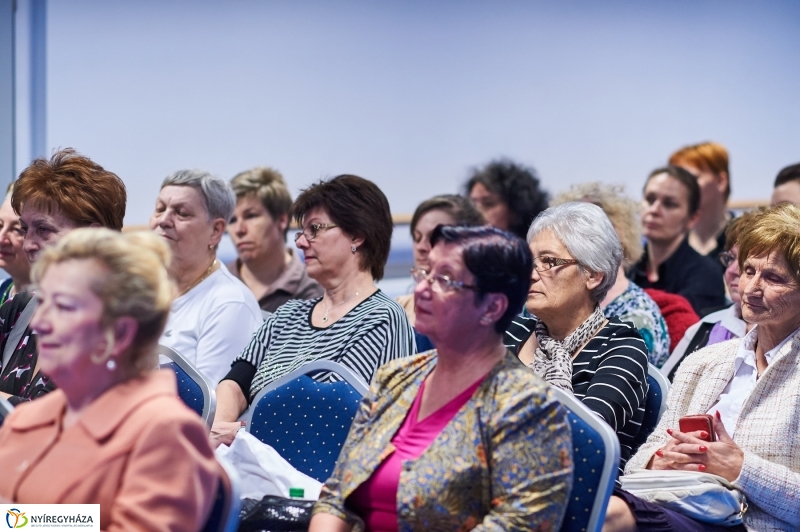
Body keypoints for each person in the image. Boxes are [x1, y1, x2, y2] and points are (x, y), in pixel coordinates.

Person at [310, 225, 573, 532]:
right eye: (425, 273)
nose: (421, 289)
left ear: (492, 307)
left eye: (444, 280)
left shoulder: (528, 406)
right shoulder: (394, 378)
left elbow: (518, 526)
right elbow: (336, 493)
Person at [0, 228, 219, 530]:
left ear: (120, 333)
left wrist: (19, 523)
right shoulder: (26, 419)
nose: (39, 322)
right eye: (43, 302)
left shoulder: (164, 433)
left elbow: (18, 521)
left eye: (62, 306)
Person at [605, 202, 800, 532]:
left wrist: (739, 467)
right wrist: (662, 459)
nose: (752, 287)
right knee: (591, 506)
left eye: (773, 278)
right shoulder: (704, 362)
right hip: (681, 504)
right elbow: (638, 463)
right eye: (749, 270)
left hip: (751, 524)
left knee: (607, 515)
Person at [211, 175, 415, 448]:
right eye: (302, 232)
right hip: (251, 459)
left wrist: (245, 438)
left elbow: (326, 417)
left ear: (356, 235)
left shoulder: (382, 318)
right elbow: (234, 384)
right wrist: (218, 431)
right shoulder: (289, 315)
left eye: (315, 230)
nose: (300, 243)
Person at [504, 202, 649, 472]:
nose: (531, 275)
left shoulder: (621, 345)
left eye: (548, 262)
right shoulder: (509, 332)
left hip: (580, 493)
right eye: (529, 261)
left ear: (593, 275)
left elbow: (587, 438)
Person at [0, 148, 127, 405]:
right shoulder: (21, 309)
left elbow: (57, 423)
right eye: (26, 230)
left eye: (43, 230)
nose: (28, 244)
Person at [150, 169, 262, 384]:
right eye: (159, 209)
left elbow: (206, 407)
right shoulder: (139, 289)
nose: (163, 220)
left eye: (181, 213)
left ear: (216, 231)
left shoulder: (230, 303)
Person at [552, 182, 670, 368]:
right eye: (572, 226)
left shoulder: (638, 316)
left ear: (622, 236)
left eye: (596, 225)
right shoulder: (546, 298)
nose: (582, 236)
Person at [662, 209, 763, 380]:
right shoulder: (706, 327)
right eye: (730, 259)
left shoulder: (789, 338)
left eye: (746, 262)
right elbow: (664, 390)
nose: (731, 270)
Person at [629, 165, 726, 315]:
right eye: (650, 199)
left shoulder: (706, 274)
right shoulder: (626, 267)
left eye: (669, 204)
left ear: (692, 218)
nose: (654, 210)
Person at [227, 166, 322, 313]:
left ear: (282, 220)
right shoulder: (214, 284)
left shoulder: (314, 293)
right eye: (232, 220)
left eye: (251, 216)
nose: (239, 229)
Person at [395, 194, 484, 326]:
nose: (420, 247)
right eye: (417, 237)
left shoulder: (485, 312)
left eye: (433, 238)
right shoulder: (399, 309)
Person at [669, 141, 732, 264]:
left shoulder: (746, 240)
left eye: (692, 178)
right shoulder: (670, 243)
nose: (680, 188)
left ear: (721, 182)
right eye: (676, 180)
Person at [465, 159, 549, 239]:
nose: (476, 212)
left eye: (488, 204)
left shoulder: (533, 251)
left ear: (515, 211)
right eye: (472, 204)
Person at [0, 183, 30, 303]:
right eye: (0, 225)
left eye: (17, 230)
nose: (1, 239)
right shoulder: (3, 288)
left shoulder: (52, 305)